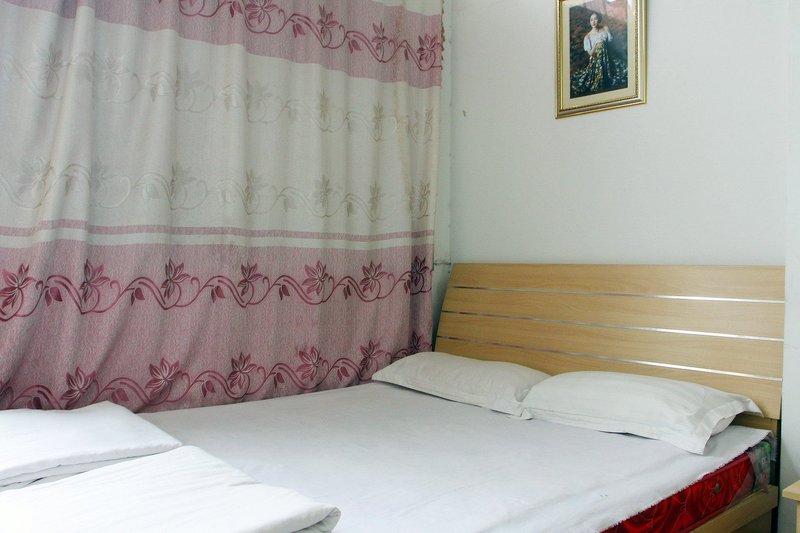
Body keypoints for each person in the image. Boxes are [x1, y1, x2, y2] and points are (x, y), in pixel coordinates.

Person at [571, 11, 627, 98]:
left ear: (599, 20)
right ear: (589, 22)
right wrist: (597, 43)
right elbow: (591, 54)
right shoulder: (588, 37)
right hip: (596, 61)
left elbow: (610, 43)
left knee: (622, 71)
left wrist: (603, 43)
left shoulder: (605, 29)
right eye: (591, 20)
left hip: (608, 58)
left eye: (595, 19)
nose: (593, 22)